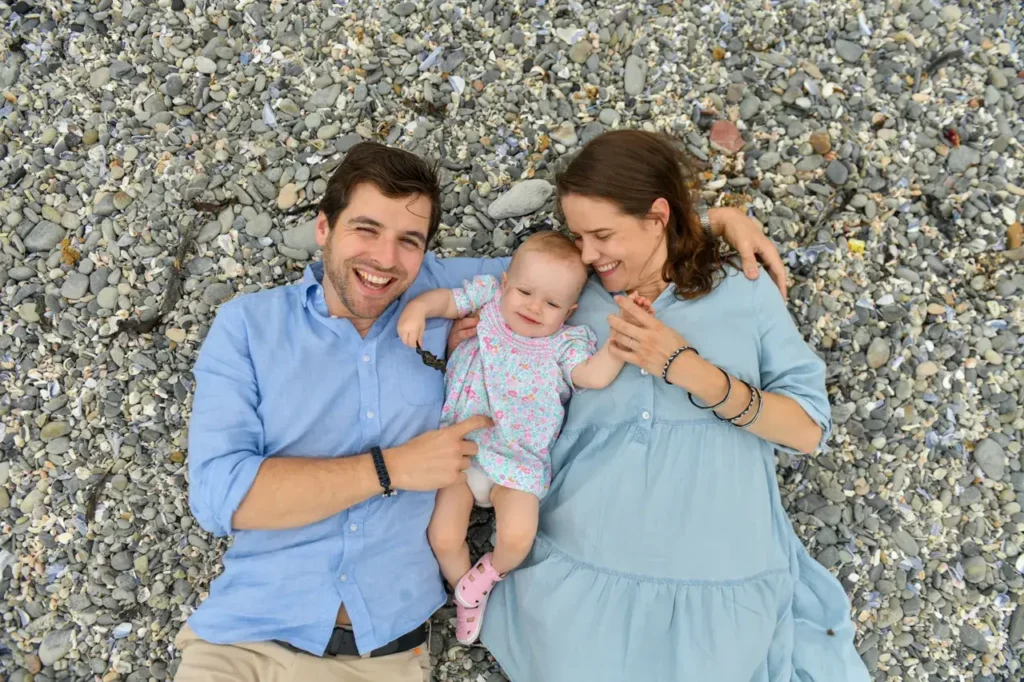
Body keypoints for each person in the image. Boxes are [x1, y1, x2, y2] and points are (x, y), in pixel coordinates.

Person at [175, 140, 786, 681]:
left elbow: (589, 263)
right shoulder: (250, 326)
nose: (386, 259)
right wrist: (392, 469)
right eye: (366, 229)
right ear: (324, 228)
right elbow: (220, 498)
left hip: (380, 653)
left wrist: (706, 223)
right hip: (243, 639)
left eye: (409, 240)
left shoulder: (457, 289)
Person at [479, 130, 871, 682]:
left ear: (657, 215)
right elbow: (461, 292)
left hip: (718, 575)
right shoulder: (565, 298)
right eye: (578, 235)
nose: (587, 254)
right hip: (585, 569)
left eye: (602, 234)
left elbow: (808, 430)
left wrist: (696, 374)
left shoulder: (743, 292)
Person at [397, 231, 628, 646]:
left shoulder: (565, 344)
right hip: (462, 452)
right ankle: (464, 590)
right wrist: (416, 308)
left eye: (553, 304)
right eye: (525, 292)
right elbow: (445, 301)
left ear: (570, 311)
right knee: (444, 535)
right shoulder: (488, 303)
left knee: (519, 535)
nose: (535, 308)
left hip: (518, 461)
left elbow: (591, 376)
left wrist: (617, 348)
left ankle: (486, 574)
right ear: (505, 284)